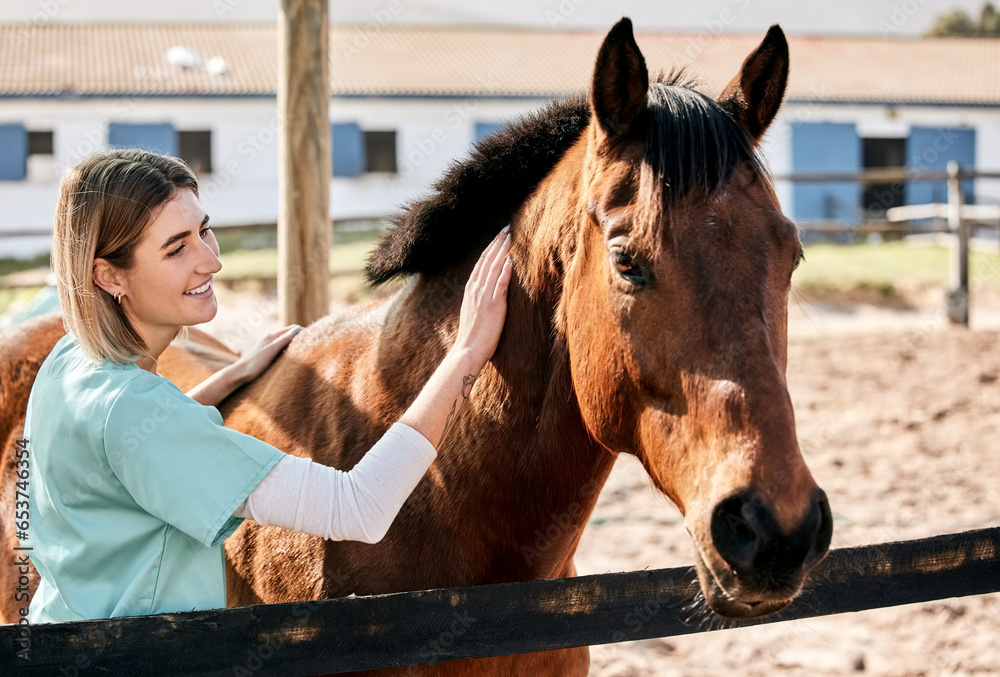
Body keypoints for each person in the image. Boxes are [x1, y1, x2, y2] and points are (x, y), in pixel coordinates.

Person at [20, 149, 512, 623]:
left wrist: (231, 376)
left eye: (204, 230)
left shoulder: (72, 360)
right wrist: (466, 352)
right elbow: (359, 507)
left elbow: (127, 452)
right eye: (177, 248)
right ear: (108, 275)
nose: (211, 261)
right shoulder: (132, 410)